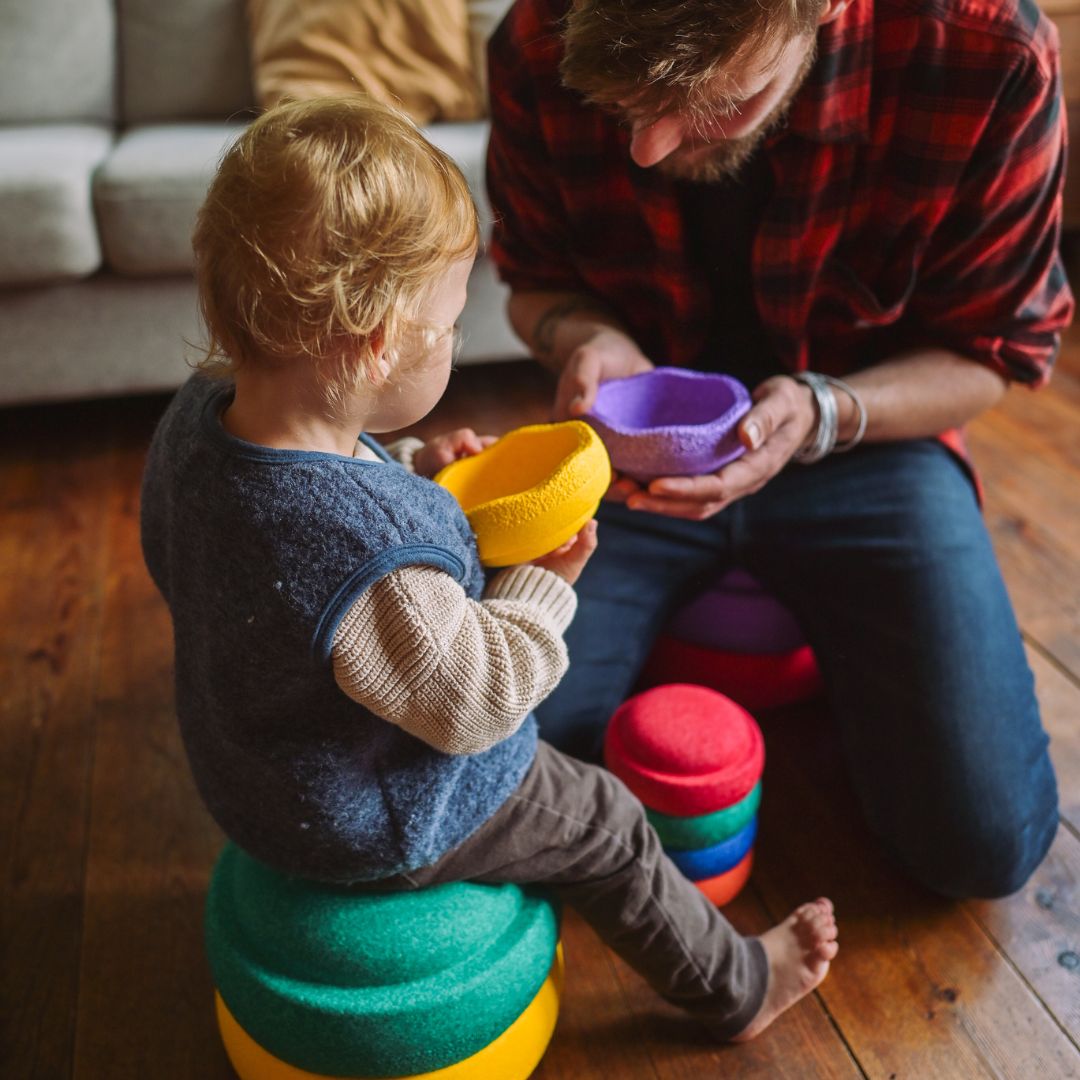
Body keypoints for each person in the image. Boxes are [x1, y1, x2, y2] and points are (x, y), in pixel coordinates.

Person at [139, 95, 839, 1042]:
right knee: (604, 821)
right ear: (379, 339)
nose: (454, 342)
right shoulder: (369, 559)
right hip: (378, 812)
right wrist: (540, 586)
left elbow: (278, 522)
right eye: (450, 323)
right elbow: (476, 703)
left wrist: (425, 472)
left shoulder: (200, 418)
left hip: (250, 772)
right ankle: (739, 987)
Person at [485, 0, 1073, 899]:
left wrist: (827, 411)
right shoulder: (534, 36)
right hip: (622, 459)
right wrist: (582, 336)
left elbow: (998, 352)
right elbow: (535, 279)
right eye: (622, 108)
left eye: (712, 100)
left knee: (982, 841)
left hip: (867, 441)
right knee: (474, 772)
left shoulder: (986, 50)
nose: (645, 147)